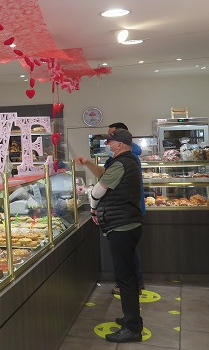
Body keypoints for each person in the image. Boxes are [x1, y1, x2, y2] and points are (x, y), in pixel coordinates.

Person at [76, 129, 144, 343]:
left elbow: (98, 190)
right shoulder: (122, 162)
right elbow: (104, 175)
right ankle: (130, 318)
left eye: (109, 141)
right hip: (125, 223)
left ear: (120, 144)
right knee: (126, 274)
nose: (106, 144)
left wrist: (93, 206)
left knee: (125, 277)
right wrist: (88, 163)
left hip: (122, 226)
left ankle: (133, 328)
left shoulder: (122, 163)